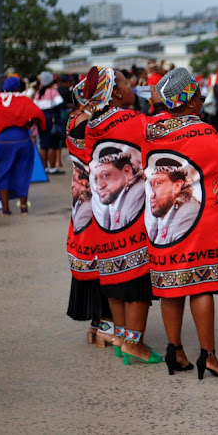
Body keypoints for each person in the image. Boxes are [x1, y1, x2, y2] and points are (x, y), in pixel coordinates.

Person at [145, 67, 218, 379]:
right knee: (201, 287)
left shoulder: (150, 132)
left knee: (170, 287)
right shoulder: (204, 133)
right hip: (197, 224)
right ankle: (208, 356)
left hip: (161, 228)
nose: (200, 102)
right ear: (189, 101)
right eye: (198, 96)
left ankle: (176, 351)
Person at [83, 66, 161, 365]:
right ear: (115, 92)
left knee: (114, 277)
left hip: (104, 214)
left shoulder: (94, 124)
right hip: (132, 214)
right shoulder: (132, 120)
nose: (132, 87)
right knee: (138, 282)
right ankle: (135, 344)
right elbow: (159, 137)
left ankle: (121, 338)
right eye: (128, 83)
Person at [65, 85, 113, 349]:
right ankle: (106, 324)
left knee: (90, 255)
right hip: (96, 197)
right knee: (103, 254)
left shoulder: (75, 118)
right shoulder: (92, 124)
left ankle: (96, 326)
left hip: (80, 196)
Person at [0, 76, 45, 214]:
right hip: (22, 139)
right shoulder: (23, 99)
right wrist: (29, 124)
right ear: (18, 87)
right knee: (23, 172)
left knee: (2, 173)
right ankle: (23, 206)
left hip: (1, 140)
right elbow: (37, 113)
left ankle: (5, 208)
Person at [92, 145, 146, 231]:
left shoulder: (137, 193)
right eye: (96, 179)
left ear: (127, 172)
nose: (99, 186)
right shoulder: (110, 205)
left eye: (105, 175)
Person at [33, 70, 66, 174]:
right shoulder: (53, 92)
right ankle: (52, 168)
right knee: (52, 145)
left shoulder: (38, 93)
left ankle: (45, 168)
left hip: (41, 122)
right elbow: (62, 104)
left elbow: (35, 107)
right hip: (52, 121)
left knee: (43, 145)